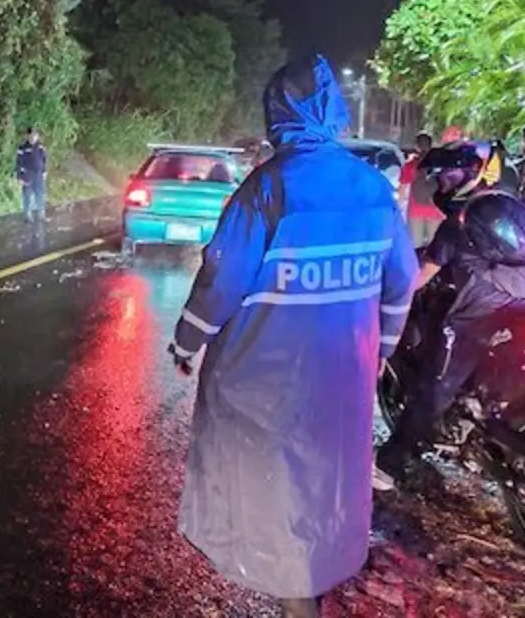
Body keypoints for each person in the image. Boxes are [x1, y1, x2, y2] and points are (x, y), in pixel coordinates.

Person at [168, 54, 418, 618]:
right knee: (326, 488)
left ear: (277, 113)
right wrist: (380, 349)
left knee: (275, 496)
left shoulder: (268, 188)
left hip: (266, 381)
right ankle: (310, 587)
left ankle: (297, 599)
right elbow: (401, 281)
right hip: (343, 377)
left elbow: (221, 280)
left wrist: (187, 341)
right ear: (334, 112)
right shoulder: (373, 189)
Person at [375, 141, 525, 489]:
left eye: (446, 177)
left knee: (435, 386)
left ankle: (391, 463)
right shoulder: (518, 204)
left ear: (466, 175)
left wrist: (379, 296)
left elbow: (417, 280)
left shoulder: (457, 226)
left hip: (485, 315)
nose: (441, 184)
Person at [400, 132, 445, 247]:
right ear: (430, 145)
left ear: (416, 146)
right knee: (435, 247)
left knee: (416, 246)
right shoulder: (439, 166)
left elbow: (402, 191)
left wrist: (399, 209)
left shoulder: (410, 165)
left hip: (415, 210)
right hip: (436, 209)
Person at [15, 127, 48, 222]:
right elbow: (18, 163)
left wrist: (44, 171)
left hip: (38, 175)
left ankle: (41, 215)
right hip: (27, 176)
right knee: (27, 196)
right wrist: (19, 177)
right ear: (27, 136)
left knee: (40, 195)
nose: (33, 137)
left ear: (37, 136)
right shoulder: (22, 148)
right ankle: (27, 216)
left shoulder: (41, 147)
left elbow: (44, 160)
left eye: (34, 135)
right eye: (31, 136)